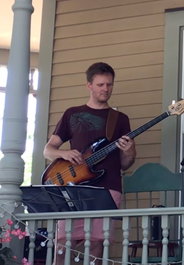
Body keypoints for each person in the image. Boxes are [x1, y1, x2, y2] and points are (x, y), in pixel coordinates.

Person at [43, 62, 136, 265]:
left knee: (97, 248)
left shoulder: (119, 119)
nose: (106, 89)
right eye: (101, 84)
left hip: (108, 187)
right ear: (89, 85)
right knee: (62, 245)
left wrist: (129, 152)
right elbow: (48, 150)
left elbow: (125, 164)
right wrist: (65, 153)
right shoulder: (72, 114)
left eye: (109, 85)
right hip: (72, 187)